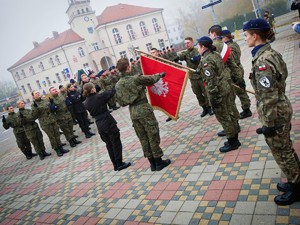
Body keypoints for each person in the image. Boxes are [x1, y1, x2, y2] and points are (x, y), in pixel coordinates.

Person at [243, 18, 300, 205]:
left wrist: (268, 124)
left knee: (282, 151)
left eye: (246, 36)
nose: (245, 39)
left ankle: (297, 187)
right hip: (281, 108)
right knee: (286, 148)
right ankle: (296, 179)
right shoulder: (270, 52)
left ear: (255, 35)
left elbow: (269, 97)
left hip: (275, 114)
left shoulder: (263, 61)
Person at [115, 58, 171, 171]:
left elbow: (121, 102)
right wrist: (160, 75)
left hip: (133, 112)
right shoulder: (135, 79)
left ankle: (152, 164)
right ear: (128, 68)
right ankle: (158, 162)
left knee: (143, 137)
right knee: (152, 134)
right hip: (143, 109)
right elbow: (151, 79)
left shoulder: (118, 85)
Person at [196, 36, 241, 152]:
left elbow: (210, 80)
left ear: (203, 46)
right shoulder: (215, 54)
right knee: (229, 113)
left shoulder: (206, 60)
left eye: (198, 46)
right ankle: (234, 138)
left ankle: (232, 142)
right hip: (225, 87)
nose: (197, 48)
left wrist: (213, 96)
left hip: (217, 91)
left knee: (223, 116)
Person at [83, 83, 131, 171]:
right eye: (94, 87)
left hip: (99, 123)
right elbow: (111, 92)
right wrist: (115, 86)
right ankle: (119, 163)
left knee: (109, 145)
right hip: (107, 121)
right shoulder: (99, 97)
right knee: (115, 142)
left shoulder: (86, 102)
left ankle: (115, 164)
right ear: (92, 89)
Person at [209, 25, 242, 137]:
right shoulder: (225, 45)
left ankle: (230, 129)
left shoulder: (212, 46)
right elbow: (232, 64)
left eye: (210, 34)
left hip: (219, 80)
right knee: (231, 102)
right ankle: (236, 125)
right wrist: (239, 78)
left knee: (225, 106)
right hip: (228, 78)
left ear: (213, 34)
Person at [175, 37, 213, 117]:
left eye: (188, 42)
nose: (187, 44)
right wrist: (177, 57)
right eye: (185, 43)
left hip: (201, 76)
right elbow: (180, 56)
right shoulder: (185, 53)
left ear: (192, 42)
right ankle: (204, 108)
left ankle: (209, 107)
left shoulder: (198, 50)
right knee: (198, 94)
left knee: (205, 92)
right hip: (193, 78)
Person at [221, 29, 252, 119]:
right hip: (235, 69)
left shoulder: (231, 47)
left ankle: (247, 109)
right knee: (240, 91)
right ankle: (246, 108)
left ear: (225, 37)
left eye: (221, 38)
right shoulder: (230, 45)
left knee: (240, 91)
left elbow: (233, 60)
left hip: (235, 70)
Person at [31, 90, 70, 157]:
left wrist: (52, 104)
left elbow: (52, 109)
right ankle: (57, 149)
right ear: (33, 96)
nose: (38, 94)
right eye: (36, 93)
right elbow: (35, 116)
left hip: (53, 120)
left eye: (38, 92)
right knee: (52, 136)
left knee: (57, 134)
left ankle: (60, 147)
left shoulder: (45, 101)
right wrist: (36, 108)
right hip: (45, 123)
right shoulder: (34, 105)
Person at [150, 47, 172, 122]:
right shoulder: (151, 62)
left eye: (153, 52)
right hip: (158, 82)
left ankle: (173, 111)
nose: (152, 54)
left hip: (165, 81)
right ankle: (169, 114)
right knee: (163, 99)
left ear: (157, 52)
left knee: (169, 97)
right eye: (151, 53)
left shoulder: (162, 60)